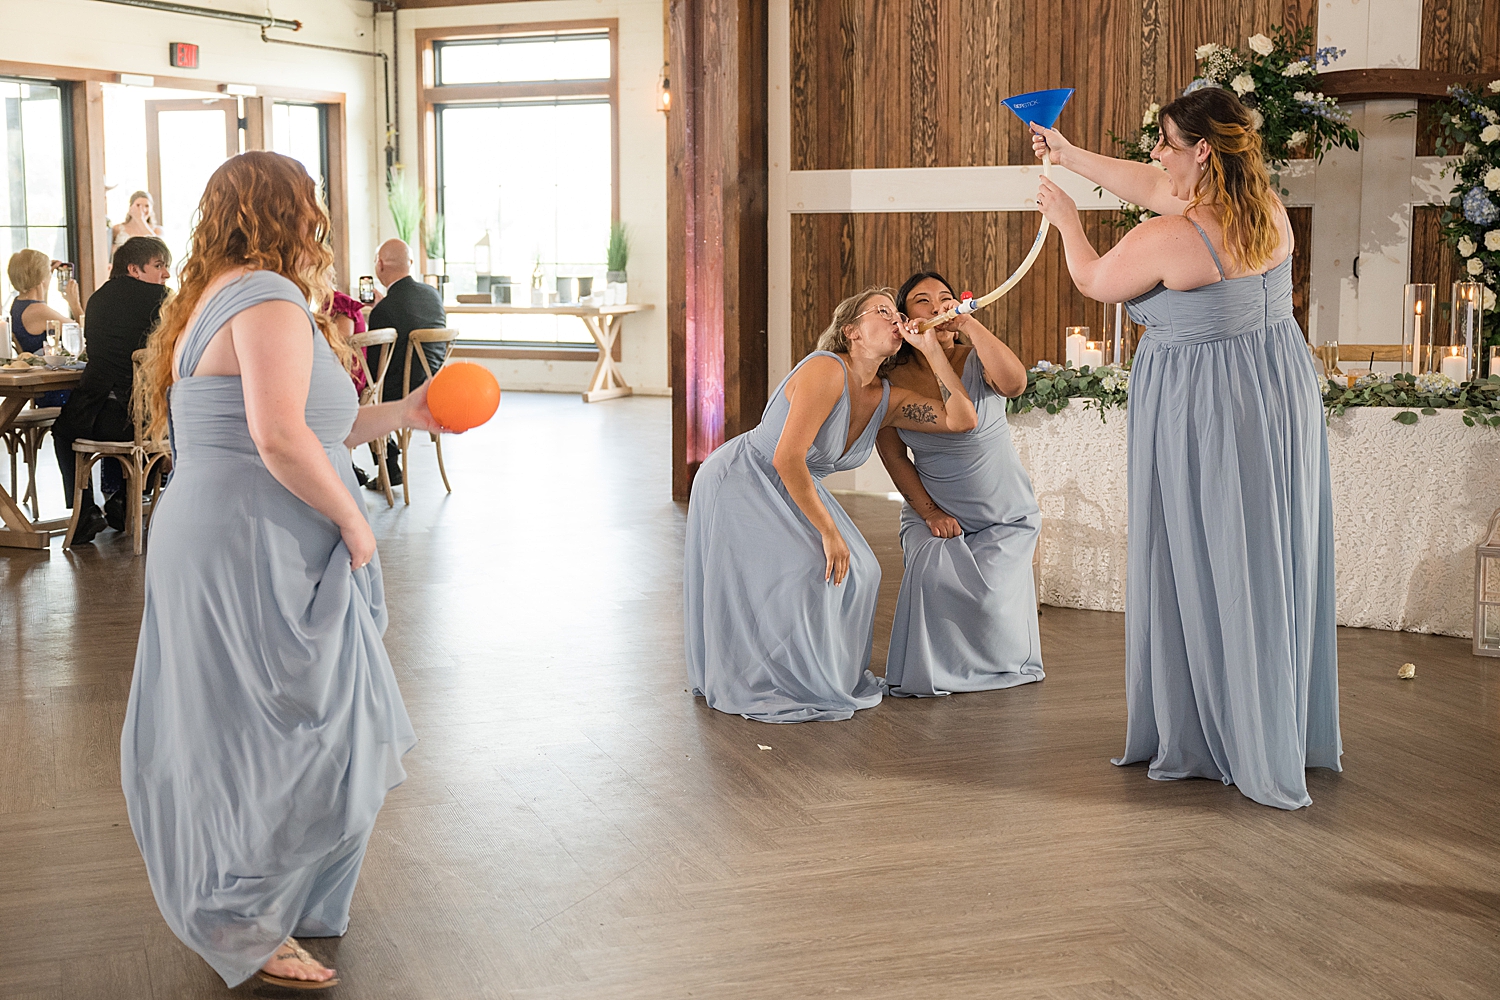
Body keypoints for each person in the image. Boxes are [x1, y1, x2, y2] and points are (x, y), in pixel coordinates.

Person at [125, 151, 444, 989]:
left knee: (271, 725)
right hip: (252, 539)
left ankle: (274, 898)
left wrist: (405, 412)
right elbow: (274, 437)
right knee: (294, 730)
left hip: (226, 530)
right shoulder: (265, 298)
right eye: (310, 202)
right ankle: (246, 917)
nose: (320, 217)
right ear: (281, 211)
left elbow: (310, 425)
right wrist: (353, 520)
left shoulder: (214, 296)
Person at [1031, 87, 1340, 809]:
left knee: (1211, 550)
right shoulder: (1263, 210)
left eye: (1167, 142)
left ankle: (1214, 727)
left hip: (1208, 405)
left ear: (1203, 149)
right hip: (1277, 391)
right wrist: (1072, 155)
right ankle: (1267, 721)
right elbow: (1154, 187)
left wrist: (1068, 218)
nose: (1156, 155)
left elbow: (1093, 279)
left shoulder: (1168, 240)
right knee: (1263, 549)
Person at [684, 287, 978, 723]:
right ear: (852, 331)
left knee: (864, 570)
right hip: (745, 477)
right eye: (881, 311)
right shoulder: (826, 369)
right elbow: (787, 457)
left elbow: (962, 419)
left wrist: (932, 348)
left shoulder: (887, 397)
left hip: (796, 480)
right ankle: (774, 677)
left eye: (897, 312)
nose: (895, 317)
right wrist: (829, 532)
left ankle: (824, 675)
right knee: (809, 566)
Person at [875, 271, 1043, 697]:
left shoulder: (973, 357)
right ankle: (933, 671)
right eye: (922, 300)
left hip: (1003, 511)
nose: (936, 307)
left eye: (945, 298)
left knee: (989, 600)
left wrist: (968, 323)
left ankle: (999, 661)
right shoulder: (888, 383)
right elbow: (894, 456)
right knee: (931, 571)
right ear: (904, 316)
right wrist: (928, 511)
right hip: (934, 508)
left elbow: (1015, 383)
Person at [51, 236, 172, 543]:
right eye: (159, 266)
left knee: (62, 432)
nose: (166, 274)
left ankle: (85, 511)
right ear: (134, 268)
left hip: (93, 418)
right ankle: (125, 500)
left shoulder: (97, 299)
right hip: (142, 424)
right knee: (164, 419)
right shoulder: (164, 300)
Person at [365, 238, 446, 488]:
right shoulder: (433, 295)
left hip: (401, 392)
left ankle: (388, 467)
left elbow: (373, 370)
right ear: (410, 263)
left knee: (364, 395)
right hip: (434, 386)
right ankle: (389, 466)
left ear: (379, 265)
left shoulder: (384, 311)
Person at [7, 247, 84, 406]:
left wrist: (43, 281)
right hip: (54, 387)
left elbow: (40, 302)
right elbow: (82, 331)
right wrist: (74, 304)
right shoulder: (38, 311)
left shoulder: (19, 305)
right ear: (42, 278)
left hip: (42, 384)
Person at [110, 190, 166, 257]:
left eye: (147, 206)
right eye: (138, 205)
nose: (143, 210)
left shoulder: (157, 230)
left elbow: (159, 250)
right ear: (130, 207)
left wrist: (140, 219)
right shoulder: (117, 229)